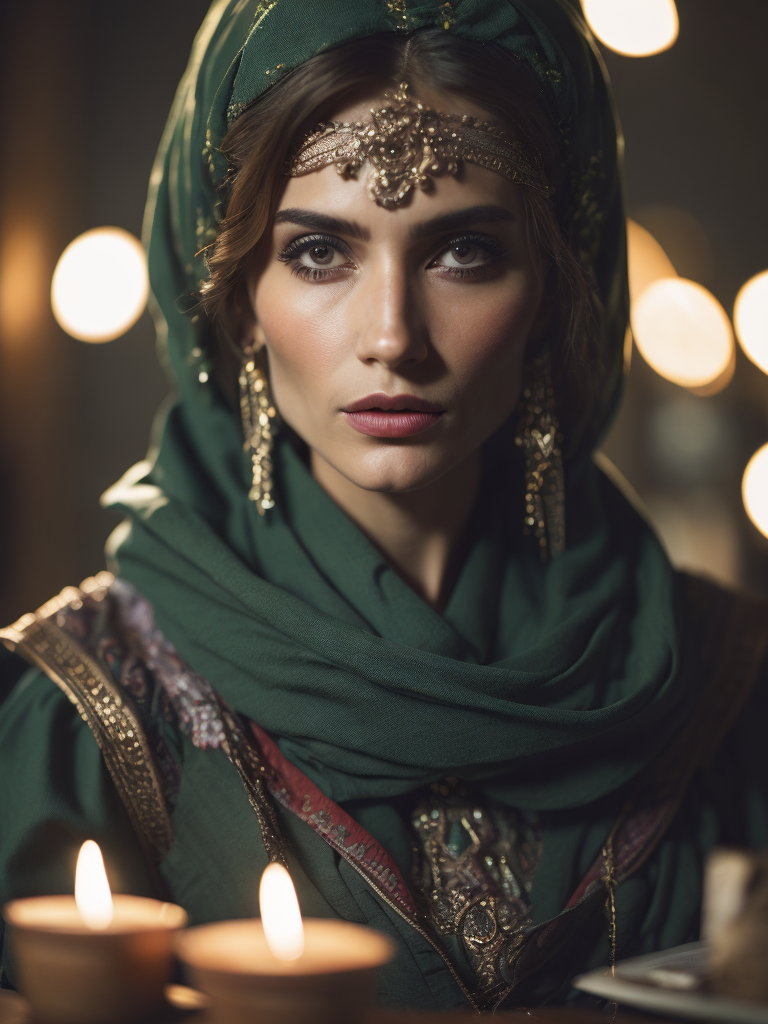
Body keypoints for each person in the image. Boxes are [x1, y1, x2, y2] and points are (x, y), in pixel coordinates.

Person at [1, 0, 767, 1011]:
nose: (394, 336)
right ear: (235, 302)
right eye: (320, 252)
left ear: (552, 290)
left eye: (465, 254)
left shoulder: (724, 685)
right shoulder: (88, 715)